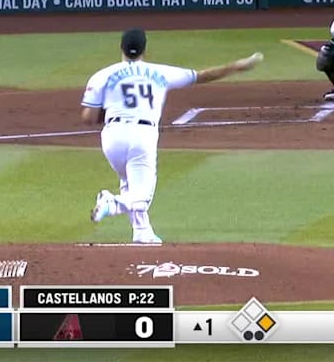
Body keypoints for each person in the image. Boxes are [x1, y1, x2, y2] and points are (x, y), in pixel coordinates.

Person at [84, 28, 264, 243]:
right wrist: (236, 66)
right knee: (141, 197)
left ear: (120, 47)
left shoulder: (102, 75)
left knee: (128, 181)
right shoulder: (160, 72)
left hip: (112, 137)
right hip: (142, 136)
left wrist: (112, 106)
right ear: (145, 49)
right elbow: (201, 76)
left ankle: (142, 232)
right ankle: (112, 203)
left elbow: (88, 116)